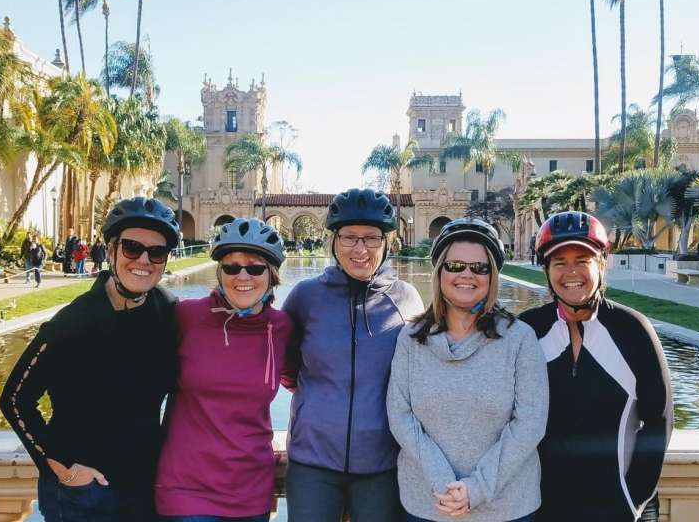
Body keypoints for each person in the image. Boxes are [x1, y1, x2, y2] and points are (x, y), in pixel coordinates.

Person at [0, 197, 181, 521]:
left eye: (156, 252)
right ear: (110, 250)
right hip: (83, 493)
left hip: (144, 489)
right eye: (131, 248)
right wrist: (65, 468)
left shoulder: (167, 311)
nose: (144, 259)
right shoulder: (74, 321)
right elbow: (16, 400)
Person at [388, 218, 547, 522]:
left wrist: (476, 489)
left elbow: (530, 423)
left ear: (492, 276)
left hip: (507, 509)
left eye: (479, 268)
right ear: (440, 272)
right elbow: (400, 416)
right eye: (456, 266)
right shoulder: (410, 340)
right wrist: (444, 483)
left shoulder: (520, 339)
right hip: (428, 505)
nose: (467, 275)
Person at [281, 188, 425, 522]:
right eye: (349, 237)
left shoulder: (407, 299)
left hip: (381, 462)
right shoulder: (306, 296)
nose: (360, 249)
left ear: (387, 243)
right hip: (312, 460)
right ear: (333, 241)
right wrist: (313, 407)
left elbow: (420, 373)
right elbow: (286, 367)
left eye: (372, 239)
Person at [519, 212, 672, 522]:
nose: (571, 272)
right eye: (559, 262)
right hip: (544, 509)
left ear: (602, 264)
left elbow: (659, 422)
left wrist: (632, 500)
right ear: (546, 270)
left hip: (620, 508)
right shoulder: (527, 331)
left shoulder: (633, 331)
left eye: (583, 260)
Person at [154, 218, 294, 521]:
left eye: (255, 268)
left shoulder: (281, 327)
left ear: (271, 275)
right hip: (186, 488)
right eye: (232, 267)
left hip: (251, 488)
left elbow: (303, 380)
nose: (242, 276)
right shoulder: (186, 316)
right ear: (220, 273)